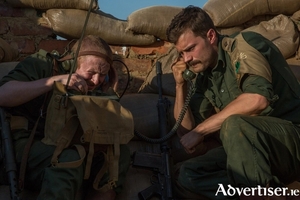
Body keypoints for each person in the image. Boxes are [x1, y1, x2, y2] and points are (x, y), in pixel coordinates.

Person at [166, 5, 300, 200]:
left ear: (210, 36)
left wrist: (201, 131)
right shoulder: (203, 76)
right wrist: (180, 86)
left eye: (190, 49)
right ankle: (277, 193)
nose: (186, 59)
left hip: (290, 141)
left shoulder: (242, 45)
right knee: (187, 175)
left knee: (235, 124)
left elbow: (257, 99)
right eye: (182, 53)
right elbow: (187, 134)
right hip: (251, 152)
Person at [0, 35, 130, 200]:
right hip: (24, 147)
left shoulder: (100, 86)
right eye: (91, 73)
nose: (96, 80)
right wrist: (53, 81)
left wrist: (107, 95)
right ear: (72, 63)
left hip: (71, 144)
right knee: (70, 158)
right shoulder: (43, 65)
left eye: (102, 74)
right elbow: (3, 94)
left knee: (118, 154)